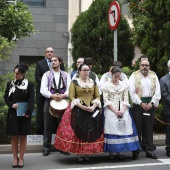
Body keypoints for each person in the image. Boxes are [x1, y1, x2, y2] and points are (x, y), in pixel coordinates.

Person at [54, 64, 104, 162]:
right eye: (84, 70)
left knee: (89, 131)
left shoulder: (93, 82)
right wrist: (81, 107)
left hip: (91, 109)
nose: (86, 72)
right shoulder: (74, 82)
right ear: (79, 72)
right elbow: (72, 97)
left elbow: (97, 96)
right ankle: (79, 154)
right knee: (79, 132)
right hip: (78, 109)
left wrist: (93, 106)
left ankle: (86, 152)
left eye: (88, 70)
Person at [102, 66, 140, 160]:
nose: (117, 79)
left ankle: (119, 152)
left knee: (124, 126)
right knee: (112, 127)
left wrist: (122, 110)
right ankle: (111, 153)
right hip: (111, 109)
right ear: (111, 75)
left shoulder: (123, 85)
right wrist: (115, 111)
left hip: (122, 108)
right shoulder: (106, 85)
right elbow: (106, 101)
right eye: (115, 76)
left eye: (118, 77)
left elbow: (126, 99)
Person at [129, 57, 161, 159]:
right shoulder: (134, 76)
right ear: (139, 66)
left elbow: (157, 91)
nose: (144, 67)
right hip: (138, 105)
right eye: (143, 65)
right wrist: (140, 103)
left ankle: (149, 150)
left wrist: (152, 103)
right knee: (137, 128)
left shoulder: (153, 75)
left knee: (149, 129)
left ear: (149, 66)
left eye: (146, 65)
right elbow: (132, 92)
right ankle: (136, 151)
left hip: (150, 104)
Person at [4, 63, 34, 168]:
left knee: (23, 136)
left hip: (24, 113)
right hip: (13, 113)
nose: (16, 75)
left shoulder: (29, 85)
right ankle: (14, 158)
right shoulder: (10, 84)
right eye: (15, 73)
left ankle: (21, 158)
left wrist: (29, 112)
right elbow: (6, 97)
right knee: (14, 136)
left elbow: (31, 99)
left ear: (23, 74)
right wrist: (12, 104)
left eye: (18, 74)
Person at [40, 55, 71, 156]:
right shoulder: (46, 74)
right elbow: (43, 89)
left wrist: (64, 95)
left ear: (60, 62)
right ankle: (46, 147)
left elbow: (69, 89)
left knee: (62, 126)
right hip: (49, 101)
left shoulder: (66, 75)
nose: (53, 62)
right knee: (47, 125)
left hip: (62, 101)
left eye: (55, 60)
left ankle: (63, 147)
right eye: (52, 61)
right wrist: (51, 95)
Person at [35, 47, 65, 135]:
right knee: (43, 115)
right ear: (45, 54)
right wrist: (48, 86)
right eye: (47, 52)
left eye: (51, 52)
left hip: (58, 94)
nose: (49, 53)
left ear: (54, 53)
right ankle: (41, 134)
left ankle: (56, 135)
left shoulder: (60, 64)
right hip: (43, 94)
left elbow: (62, 78)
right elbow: (37, 78)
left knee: (58, 116)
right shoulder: (40, 63)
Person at [160, 60, 170, 157]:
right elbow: (165, 95)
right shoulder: (163, 80)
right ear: (168, 68)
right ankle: (169, 148)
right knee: (169, 130)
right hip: (169, 109)